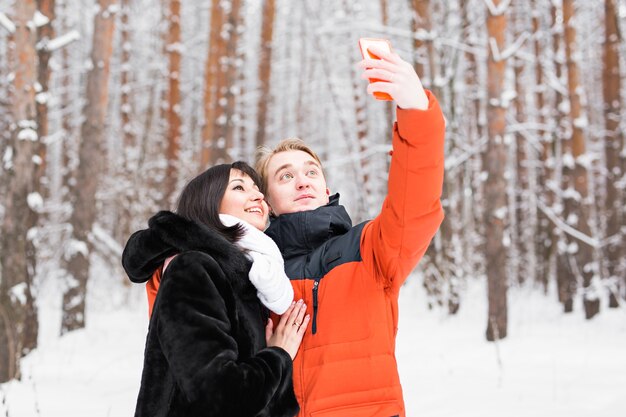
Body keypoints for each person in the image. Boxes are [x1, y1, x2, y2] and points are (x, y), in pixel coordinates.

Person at [253, 46, 445, 416]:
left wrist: (417, 112)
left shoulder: (370, 249)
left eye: (311, 171)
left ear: (326, 189)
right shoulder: (256, 270)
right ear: (267, 200)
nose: (302, 181)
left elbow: (416, 205)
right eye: (286, 175)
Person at [121, 161, 309, 417]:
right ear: (208, 204)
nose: (258, 195)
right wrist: (278, 355)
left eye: (257, 189)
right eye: (239, 187)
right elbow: (217, 396)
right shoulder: (193, 268)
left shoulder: (250, 279)